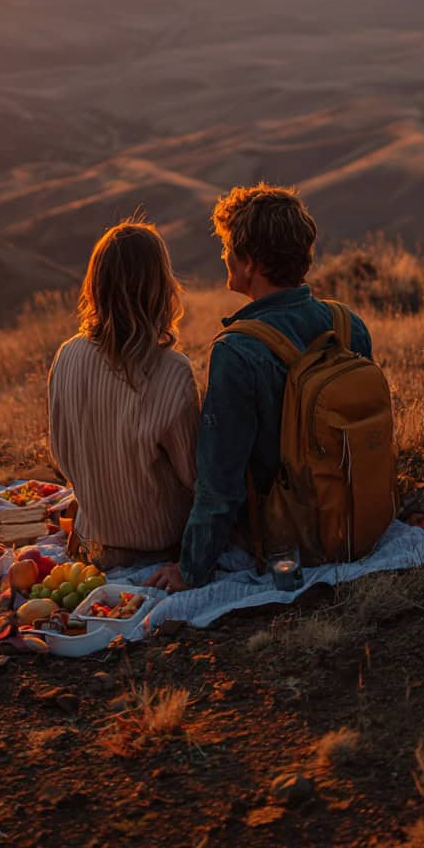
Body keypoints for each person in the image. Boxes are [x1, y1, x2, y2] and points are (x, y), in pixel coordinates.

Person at [147, 184, 372, 592]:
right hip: (359, 513)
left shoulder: (238, 352)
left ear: (250, 263)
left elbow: (220, 484)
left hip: (290, 537)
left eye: (228, 247)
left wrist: (191, 569)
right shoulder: (347, 324)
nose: (223, 257)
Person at [48, 219, 200, 569]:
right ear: (161, 288)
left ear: (96, 287)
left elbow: (60, 453)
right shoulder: (172, 370)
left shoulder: (66, 355)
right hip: (160, 550)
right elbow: (194, 478)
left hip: (94, 545)